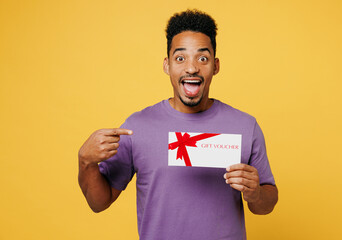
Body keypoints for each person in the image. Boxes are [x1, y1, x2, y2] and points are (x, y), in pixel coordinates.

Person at [78, 9, 278, 240]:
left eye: (203, 58)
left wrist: (256, 194)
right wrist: (86, 161)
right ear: (167, 65)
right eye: (180, 58)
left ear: (216, 66)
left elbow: (266, 205)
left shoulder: (245, 126)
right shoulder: (137, 127)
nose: (191, 68)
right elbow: (99, 202)